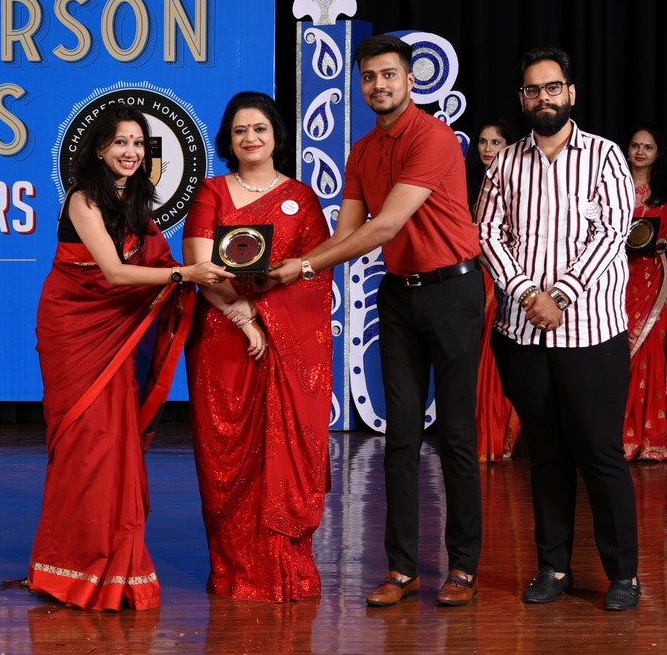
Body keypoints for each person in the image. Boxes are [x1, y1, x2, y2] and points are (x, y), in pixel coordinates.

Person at [269, 34, 484, 608]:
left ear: (411, 80)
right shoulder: (362, 150)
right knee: (399, 436)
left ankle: (463, 567)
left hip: (453, 290)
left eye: (389, 75)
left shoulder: (433, 137)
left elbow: (385, 226)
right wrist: (295, 269)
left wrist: (302, 266)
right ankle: (402, 568)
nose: (379, 85)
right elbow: (347, 234)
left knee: (456, 434)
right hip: (399, 294)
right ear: (359, 84)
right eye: (369, 77)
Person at [28, 105, 230, 610]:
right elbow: (116, 274)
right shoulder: (82, 199)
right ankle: (70, 569)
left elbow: (162, 263)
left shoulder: (136, 200)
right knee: (86, 442)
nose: (131, 152)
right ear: (100, 147)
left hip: (120, 334)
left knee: (116, 444)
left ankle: (116, 565)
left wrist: (226, 293)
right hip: (75, 332)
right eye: (121, 142)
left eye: (139, 144)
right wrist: (187, 276)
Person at [477, 47, 640, 611]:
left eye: (552, 88)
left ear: (570, 93)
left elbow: (613, 232)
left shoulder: (605, 156)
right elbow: (487, 233)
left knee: (600, 452)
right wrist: (527, 294)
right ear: (522, 99)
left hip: (591, 334)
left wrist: (561, 295)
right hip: (523, 335)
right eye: (532, 90)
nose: (542, 97)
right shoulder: (504, 163)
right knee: (545, 453)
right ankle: (554, 567)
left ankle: (623, 575)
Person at [182, 92, 333, 603]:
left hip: (286, 344)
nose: (251, 138)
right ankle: (235, 570)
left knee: (283, 453)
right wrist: (244, 317)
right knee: (224, 456)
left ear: (276, 136)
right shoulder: (211, 192)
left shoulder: (302, 199)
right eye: (240, 130)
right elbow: (200, 267)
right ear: (228, 140)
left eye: (260, 128)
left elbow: (316, 274)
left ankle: (286, 569)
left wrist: (269, 317)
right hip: (224, 341)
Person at [467, 119, 522, 463]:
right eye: (483, 142)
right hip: (471, 279)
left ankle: (498, 436)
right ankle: (477, 438)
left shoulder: (521, 183)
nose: (488, 149)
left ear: (510, 146)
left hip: (510, 279)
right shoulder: (465, 183)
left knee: (498, 359)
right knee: (472, 360)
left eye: (496, 142)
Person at [622, 123, 667, 460]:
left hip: (653, 281)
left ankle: (649, 437)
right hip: (617, 280)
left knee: (649, 355)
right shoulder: (614, 189)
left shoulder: (663, 196)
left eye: (647, 147)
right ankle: (617, 435)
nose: (640, 152)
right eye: (636, 145)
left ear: (657, 153)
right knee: (617, 354)